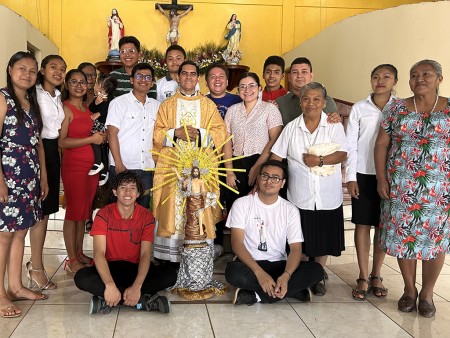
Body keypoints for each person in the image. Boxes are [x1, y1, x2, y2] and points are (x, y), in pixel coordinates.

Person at [374, 59, 450, 318]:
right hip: (401, 188)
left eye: (426, 74)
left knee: (434, 243)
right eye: (414, 74)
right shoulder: (396, 109)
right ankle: (409, 290)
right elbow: (382, 144)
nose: (420, 78)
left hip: (440, 190)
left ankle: (427, 294)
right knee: (403, 239)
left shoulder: (449, 108)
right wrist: (381, 179)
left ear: (439, 79)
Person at [271, 82, 347, 296]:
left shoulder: (334, 125)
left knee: (323, 242)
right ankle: (301, 277)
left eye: (316, 99)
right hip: (300, 195)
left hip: (327, 195)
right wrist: (271, 177)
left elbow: (342, 153)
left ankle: (318, 275)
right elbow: (277, 156)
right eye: (306, 99)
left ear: (324, 103)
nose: (311, 103)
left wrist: (319, 160)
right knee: (300, 242)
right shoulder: (291, 128)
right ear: (300, 102)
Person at [153, 60, 226, 263]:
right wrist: (175, 133)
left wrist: (201, 135)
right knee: (173, 208)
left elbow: (220, 133)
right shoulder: (167, 105)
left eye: (192, 74)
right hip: (173, 168)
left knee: (198, 207)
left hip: (199, 170)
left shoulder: (208, 105)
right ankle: (170, 257)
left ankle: (197, 254)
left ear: (197, 78)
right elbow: (157, 133)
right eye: (184, 73)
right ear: (178, 77)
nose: (188, 77)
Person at [74, 171, 177, 314]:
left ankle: (110, 299)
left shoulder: (146, 217)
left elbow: (145, 255)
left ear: (139, 193)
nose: (128, 192)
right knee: (81, 277)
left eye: (133, 188)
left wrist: (137, 286)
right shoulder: (103, 214)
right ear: (115, 192)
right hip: (109, 269)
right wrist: (109, 284)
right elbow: (99, 254)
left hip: (135, 269)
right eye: (123, 187)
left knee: (170, 274)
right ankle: (142, 300)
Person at [225, 160, 324, 305]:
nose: (269, 181)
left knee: (316, 270)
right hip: (251, 265)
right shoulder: (242, 204)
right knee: (232, 272)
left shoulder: (290, 210)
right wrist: (259, 273)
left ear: (282, 183)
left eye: (275, 178)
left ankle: (255, 295)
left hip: (279, 265)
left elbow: (296, 249)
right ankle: (292, 291)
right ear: (258, 178)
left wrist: (286, 276)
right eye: (265, 176)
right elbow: (237, 244)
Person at [0, 51, 48, 319]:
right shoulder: (2, 98)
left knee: (20, 231)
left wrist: (43, 177)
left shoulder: (31, 102)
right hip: (8, 173)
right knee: (4, 234)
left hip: (29, 174)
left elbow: (38, 143)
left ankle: (16, 286)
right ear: (10, 70)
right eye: (22, 69)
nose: (27, 74)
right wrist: (0, 182)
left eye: (32, 70)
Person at [346, 64, 398, 301]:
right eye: (376, 77)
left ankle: (377, 273)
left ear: (395, 81)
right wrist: (350, 177)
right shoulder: (359, 108)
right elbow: (351, 145)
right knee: (362, 224)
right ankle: (363, 276)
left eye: (386, 77)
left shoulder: (400, 108)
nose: (380, 81)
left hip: (392, 175)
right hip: (363, 174)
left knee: (382, 225)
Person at [59, 69, 107, 274]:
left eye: (83, 82)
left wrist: (100, 135)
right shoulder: (65, 109)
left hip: (91, 169)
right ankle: (71, 259)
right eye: (74, 82)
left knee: (83, 213)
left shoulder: (86, 108)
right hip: (74, 167)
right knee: (72, 213)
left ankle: (79, 253)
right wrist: (91, 139)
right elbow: (62, 142)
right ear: (67, 84)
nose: (79, 85)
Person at [27, 55, 67, 292]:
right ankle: (36, 267)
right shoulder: (35, 94)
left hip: (53, 152)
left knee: (46, 209)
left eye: (62, 69)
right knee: (39, 211)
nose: (58, 72)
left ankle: (35, 264)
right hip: (38, 149)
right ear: (42, 70)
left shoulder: (58, 96)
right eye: (53, 67)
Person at [224, 72, 283, 210]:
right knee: (238, 208)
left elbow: (275, 139)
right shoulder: (232, 111)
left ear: (260, 88)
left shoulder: (270, 109)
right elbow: (226, 142)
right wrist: (229, 171)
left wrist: (258, 167)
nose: (247, 90)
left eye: (251, 86)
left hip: (262, 162)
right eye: (242, 87)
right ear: (238, 91)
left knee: (259, 207)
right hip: (237, 162)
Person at [168, 167, 227, 299]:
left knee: (199, 215)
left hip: (199, 200)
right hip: (190, 201)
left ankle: (201, 228)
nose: (195, 173)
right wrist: (176, 172)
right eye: (193, 172)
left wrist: (210, 198)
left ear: (198, 172)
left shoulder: (200, 181)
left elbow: (205, 191)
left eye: (196, 172)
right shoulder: (188, 180)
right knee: (190, 219)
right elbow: (182, 184)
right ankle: (196, 229)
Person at [106, 63, 159, 209]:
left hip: (146, 167)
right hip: (123, 166)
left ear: (152, 82)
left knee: (141, 211)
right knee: (118, 211)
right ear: (131, 80)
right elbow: (111, 133)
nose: (144, 80)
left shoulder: (156, 106)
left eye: (148, 77)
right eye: (139, 76)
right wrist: (118, 164)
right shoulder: (119, 103)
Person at [205, 63, 242, 258]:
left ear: (227, 81)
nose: (217, 79)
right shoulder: (201, 102)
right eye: (213, 76)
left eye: (221, 76)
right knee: (213, 202)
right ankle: (216, 242)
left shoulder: (238, 100)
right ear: (206, 81)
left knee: (236, 201)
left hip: (235, 159)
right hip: (208, 161)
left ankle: (240, 246)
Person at [276, 57, 337, 126]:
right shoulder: (280, 103)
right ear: (289, 77)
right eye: (295, 72)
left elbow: (334, 129)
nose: (299, 76)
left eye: (304, 72)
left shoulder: (327, 101)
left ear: (311, 76)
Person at [88, 74, 118, 186]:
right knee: (102, 147)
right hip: (99, 124)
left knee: (95, 138)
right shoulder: (98, 98)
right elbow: (90, 108)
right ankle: (104, 171)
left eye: (96, 83)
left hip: (104, 126)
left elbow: (109, 109)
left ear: (101, 86)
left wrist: (99, 113)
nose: (94, 86)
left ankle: (98, 163)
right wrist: (95, 103)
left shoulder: (110, 99)